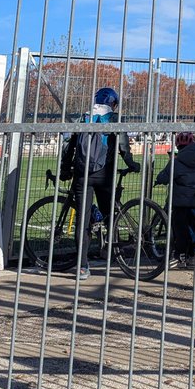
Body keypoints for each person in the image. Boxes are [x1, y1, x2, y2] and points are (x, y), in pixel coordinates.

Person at [70, 87, 139, 280]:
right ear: (113, 103)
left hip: (82, 174)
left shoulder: (84, 118)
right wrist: (132, 164)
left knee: (82, 220)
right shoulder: (114, 119)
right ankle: (112, 248)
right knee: (110, 214)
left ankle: (82, 266)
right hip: (104, 174)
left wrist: (65, 169)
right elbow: (123, 147)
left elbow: (70, 146)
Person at [155, 131, 195, 268]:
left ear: (178, 146)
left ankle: (180, 256)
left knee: (180, 228)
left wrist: (158, 180)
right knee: (193, 227)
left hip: (180, 200)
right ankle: (192, 256)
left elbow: (164, 177)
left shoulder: (176, 162)